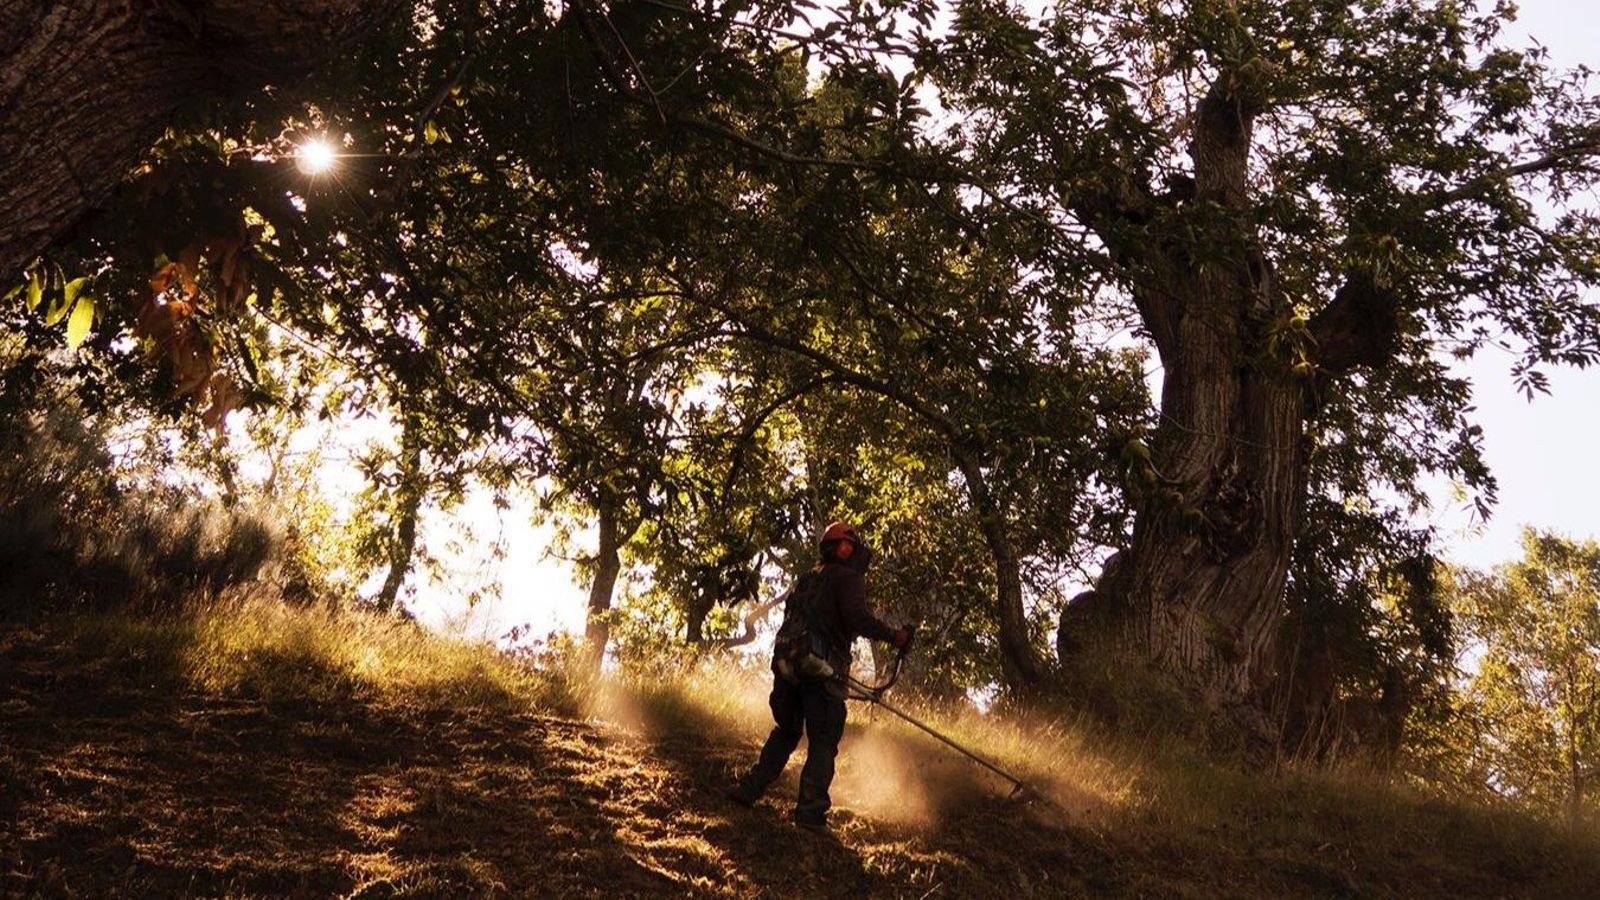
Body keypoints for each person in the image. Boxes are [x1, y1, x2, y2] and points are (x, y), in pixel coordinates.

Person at [727, 521, 912, 831]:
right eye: (852, 548)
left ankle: (748, 790)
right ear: (845, 548)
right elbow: (857, 618)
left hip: (789, 667)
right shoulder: (846, 578)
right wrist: (896, 636)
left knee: (786, 731)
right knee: (823, 741)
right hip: (821, 670)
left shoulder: (808, 580)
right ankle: (810, 814)